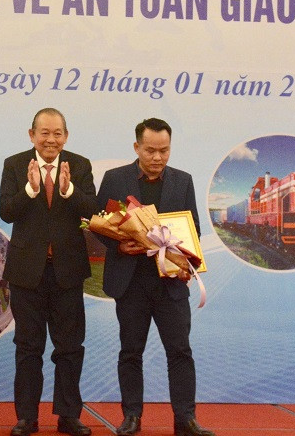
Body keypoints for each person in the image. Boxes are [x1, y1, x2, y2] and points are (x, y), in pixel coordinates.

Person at [96, 118, 215, 436]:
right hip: (130, 282)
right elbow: (99, 225)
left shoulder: (183, 181)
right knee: (130, 352)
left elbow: (194, 228)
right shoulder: (115, 178)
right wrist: (120, 245)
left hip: (170, 284)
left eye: (164, 150)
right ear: (137, 147)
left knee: (180, 352)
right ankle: (131, 417)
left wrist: (180, 250)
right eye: (150, 150)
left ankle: (185, 419)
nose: (157, 157)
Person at [0, 108, 99, 436]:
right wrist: (30, 189)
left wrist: (69, 190)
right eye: (44, 133)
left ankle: (68, 416)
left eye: (57, 133)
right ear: (32, 135)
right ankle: (27, 418)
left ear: (66, 136)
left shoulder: (79, 165)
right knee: (28, 348)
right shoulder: (15, 165)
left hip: (67, 272)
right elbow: (6, 212)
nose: (51, 140)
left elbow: (92, 210)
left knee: (70, 347)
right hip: (27, 273)